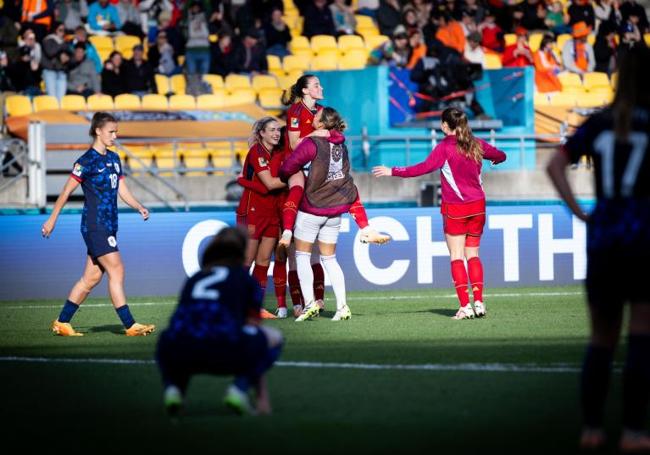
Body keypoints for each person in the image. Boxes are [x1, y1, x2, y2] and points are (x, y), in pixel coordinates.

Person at [546, 46, 650, 452]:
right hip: (643, 236)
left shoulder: (599, 122)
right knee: (642, 333)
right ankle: (633, 432)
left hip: (604, 236)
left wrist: (581, 213)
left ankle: (591, 429)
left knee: (602, 338)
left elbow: (555, 164)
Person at [372, 107, 506, 320]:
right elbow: (501, 155)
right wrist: (494, 160)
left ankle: (465, 306)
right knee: (473, 255)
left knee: (456, 256)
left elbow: (423, 168)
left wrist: (392, 171)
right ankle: (479, 302)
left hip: (456, 208)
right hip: (478, 206)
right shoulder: (476, 143)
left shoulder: (444, 147)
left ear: (445, 126)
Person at [42, 112, 155, 337]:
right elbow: (66, 191)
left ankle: (62, 322)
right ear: (98, 131)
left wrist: (138, 206)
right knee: (117, 269)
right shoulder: (86, 161)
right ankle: (130, 324)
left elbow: (122, 190)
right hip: (95, 225)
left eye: (116, 131)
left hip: (110, 225)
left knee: (90, 278)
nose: (115, 135)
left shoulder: (114, 158)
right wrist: (52, 219)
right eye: (111, 131)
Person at [156, 227, 284, 416]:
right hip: (224, 351)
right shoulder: (246, 280)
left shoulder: (195, 279)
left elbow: (180, 319)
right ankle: (239, 390)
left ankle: (173, 389)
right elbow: (253, 326)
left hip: (179, 352)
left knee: (170, 336)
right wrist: (262, 397)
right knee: (272, 337)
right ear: (241, 250)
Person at [279, 107, 357, 322]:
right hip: (334, 209)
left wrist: (285, 173)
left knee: (302, 256)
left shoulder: (312, 143)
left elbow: (289, 166)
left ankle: (310, 304)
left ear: (321, 124)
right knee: (330, 259)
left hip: (312, 207)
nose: (312, 118)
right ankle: (342, 307)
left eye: (316, 117)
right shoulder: (341, 143)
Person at [236, 117, 288, 317]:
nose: (276, 133)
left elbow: (267, 185)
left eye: (278, 130)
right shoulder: (257, 152)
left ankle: (256, 307)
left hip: (271, 213)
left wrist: (243, 180)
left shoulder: (276, 153)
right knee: (246, 261)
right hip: (252, 212)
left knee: (264, 260)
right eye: (272, 130)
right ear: (262, 134)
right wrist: (297, 179)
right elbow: (270, 185)